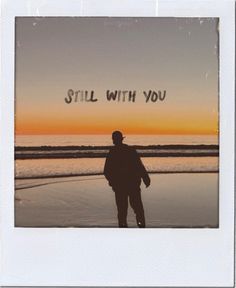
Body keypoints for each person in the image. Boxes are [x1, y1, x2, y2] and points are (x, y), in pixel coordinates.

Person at [104, 131, 151, 228]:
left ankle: (124, 230)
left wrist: (112, 183)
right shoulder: (130, 150)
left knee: (122, 211)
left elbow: (107, 171)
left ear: (114, 140)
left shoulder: (112, 152)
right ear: (121, 139)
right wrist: (145, 178)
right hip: (132, 184)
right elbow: (139, 166)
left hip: (121, 186)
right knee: (137, 209)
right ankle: (141, 227)